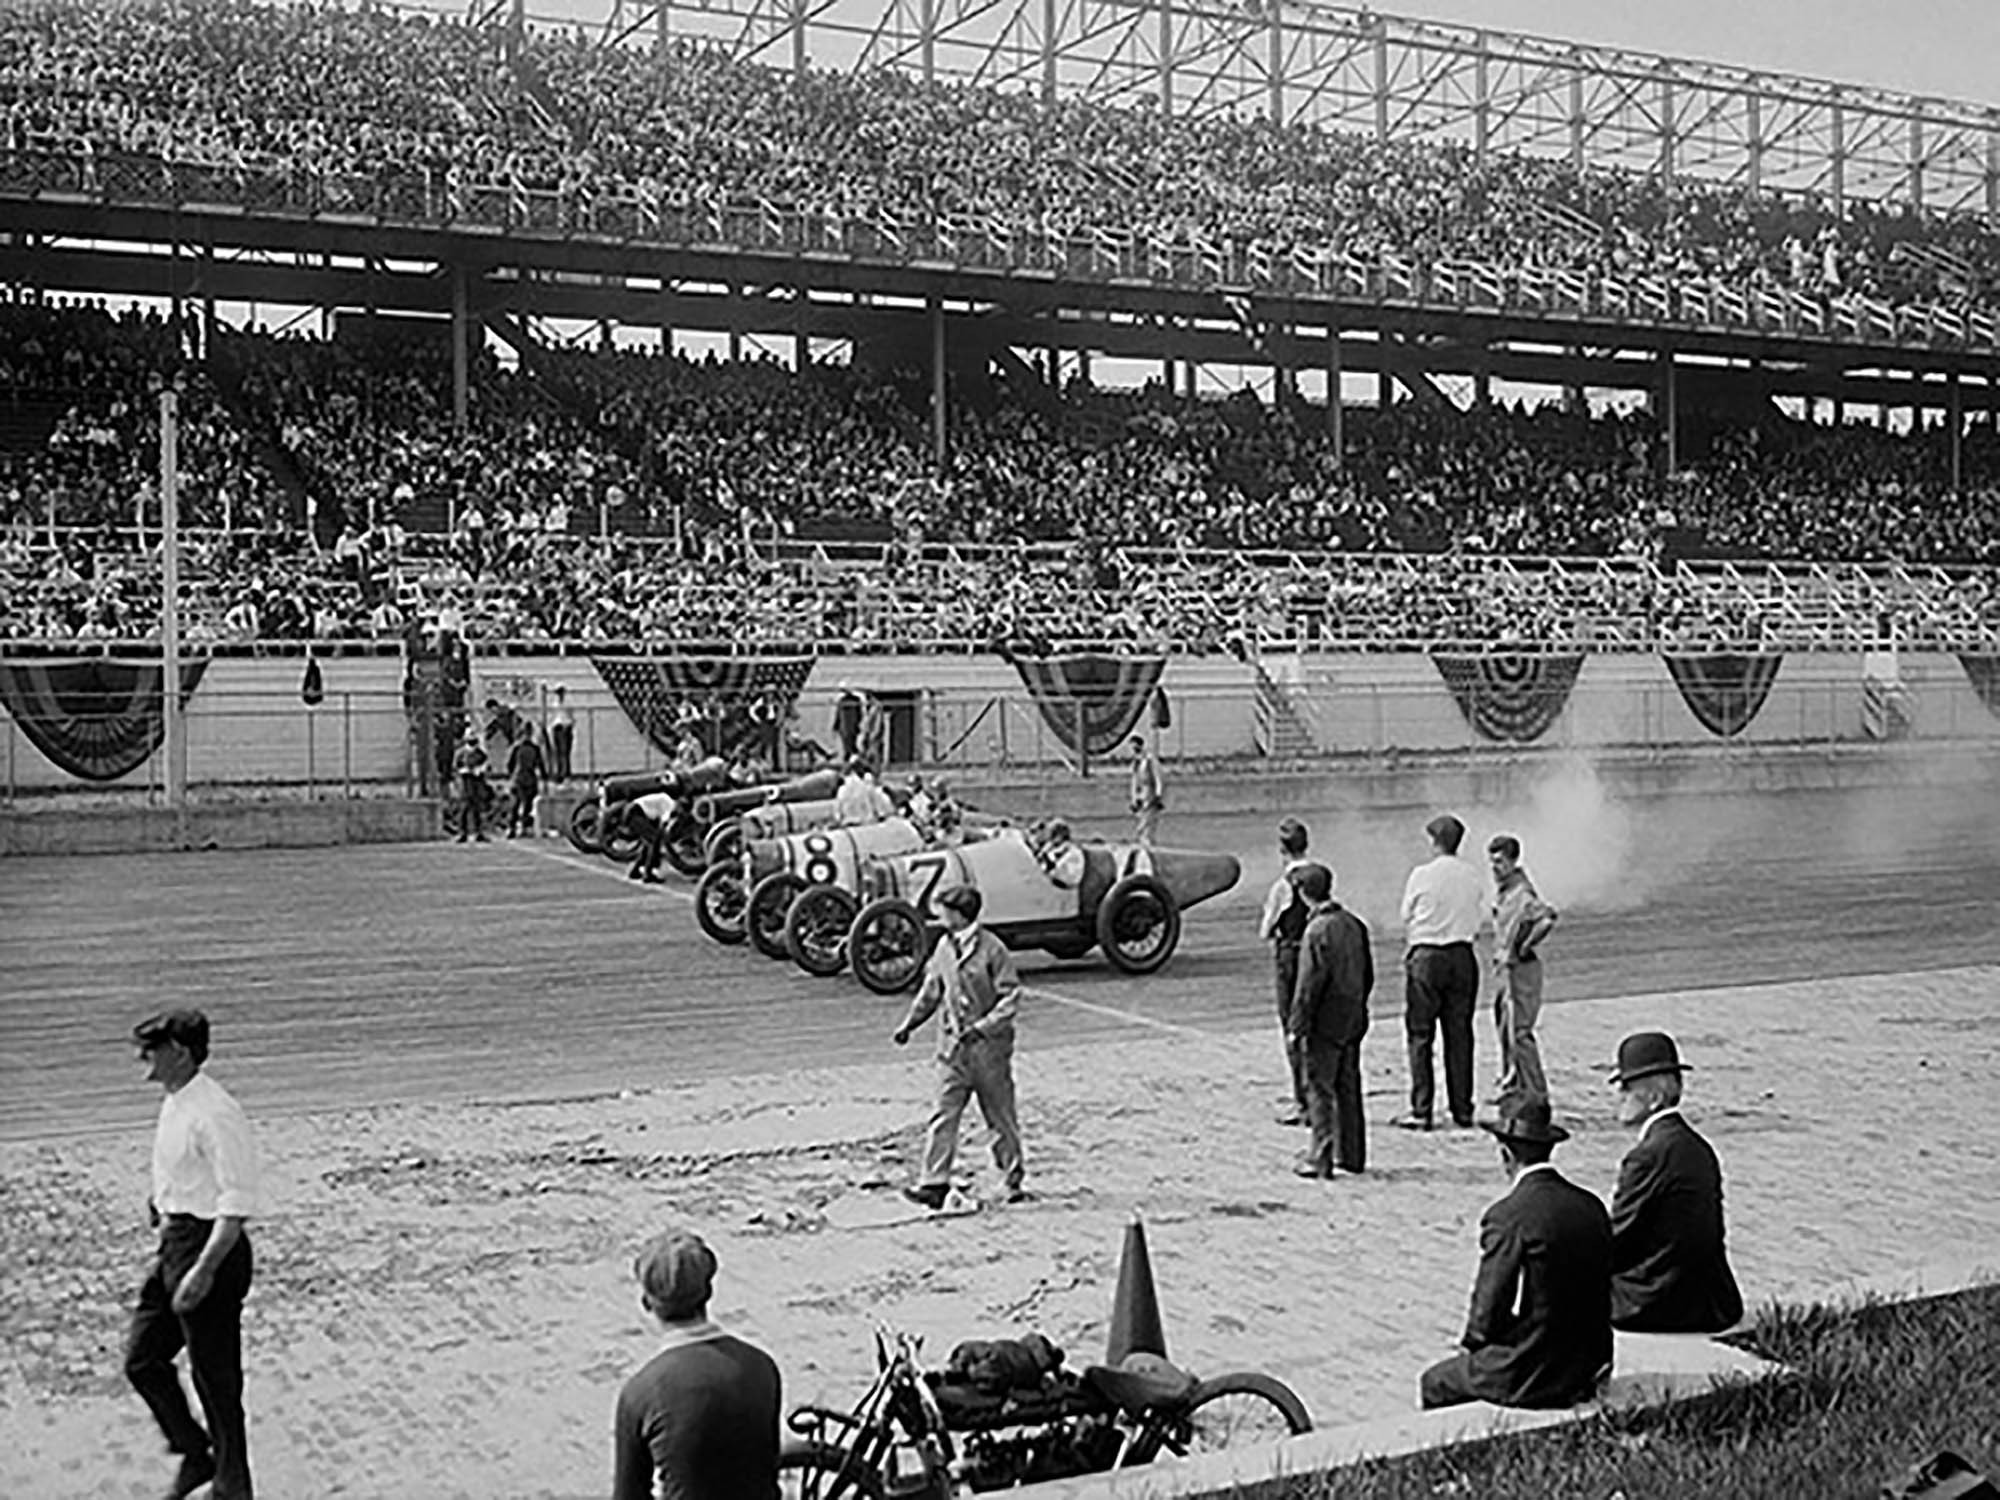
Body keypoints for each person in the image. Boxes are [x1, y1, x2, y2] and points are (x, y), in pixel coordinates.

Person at [125, 1009, 262, 1500]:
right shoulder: (177, 1100)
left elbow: (235, 1202)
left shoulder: (216, 1112)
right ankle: (194, 1452)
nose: (144, 1058)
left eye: (152, 1048)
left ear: (179, 1052)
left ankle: (232, 1487)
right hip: (176, 1242)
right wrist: (160, 1204)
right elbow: (184, 1169)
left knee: (217, 1381)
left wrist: (204, 1270)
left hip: (211, 1252)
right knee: (142, 1360)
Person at [1418, 1099, 1612, 1411]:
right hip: (1589, 1362)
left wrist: (1475, 1347)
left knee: (1435, 1382)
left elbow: (1488, 1309)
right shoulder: (1591, 1206)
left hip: (1536, 1372)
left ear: (1505, 1155)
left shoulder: (1508, 1216)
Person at [611, 1229, 781, 1500]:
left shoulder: (641, 1393)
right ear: (709, 1291)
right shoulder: (762, 1367)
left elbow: (628, 1495)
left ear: (647, 1303)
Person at [892, 885, 1026, 1207]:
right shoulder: (943, 947)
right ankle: (934, 1182)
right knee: (943, 1114)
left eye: (944, 910)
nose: (939, 915)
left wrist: (983, 1028)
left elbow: (1011, 998)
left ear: (959, 914)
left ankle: (1011, 1179)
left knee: (1000, 1117)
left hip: (989, 1053)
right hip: (953, 1050)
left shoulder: (993, 950)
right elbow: (931, 991)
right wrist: (909, 1024)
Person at [1607, 1032, 1745, 1334]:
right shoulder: (1698, 1146)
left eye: (1627, 1088)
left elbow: (1617, 1240)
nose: (1619, 1096)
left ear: (1654, 1098)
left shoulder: (1646, 1156)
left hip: (1656, 1304)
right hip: (1713, 1302)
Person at [1396, 814, 1485, 1130]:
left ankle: (1422, 1109)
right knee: (1459, 1034)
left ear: (1434, 842)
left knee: (1420, 1035)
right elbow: (1479, 911)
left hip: (1427, 955)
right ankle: (1462, 1108)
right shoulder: (1472, 875)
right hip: (1462, 955)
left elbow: (1406, 914)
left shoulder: (1421, 875)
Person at [1288, 862, 1373, 1179]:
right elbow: (1368, 974)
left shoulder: (1316, 932)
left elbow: (1308, 985)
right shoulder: (1354, 924)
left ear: (1303, 893)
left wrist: (1298, 1026)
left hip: (1326, 1019)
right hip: (1353, 1014)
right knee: (1348, 1085)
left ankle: (1321, 1156)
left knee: (1320, 1087)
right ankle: (1351, 1155)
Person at [1487, 834, 1560, 1113]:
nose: (1495, 868)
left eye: (1500, 862)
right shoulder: (1506, 889)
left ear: (1512, 861)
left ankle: (1536, 1091)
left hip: (1520, 969)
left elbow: (1547, 918)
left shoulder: (1522, 892)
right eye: (1492, 862)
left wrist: (1525, 946)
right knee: (1506, 1030)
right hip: (1504, 969)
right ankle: (1512, 1085)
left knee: (1520, 1033)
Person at [1257, 818, 1317, 1126]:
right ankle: (1318, 1095)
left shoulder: (1282, 887)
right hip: (1317, 953)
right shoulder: (1319, 877)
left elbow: (1265, 931)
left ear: (1282, 850)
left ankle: (1302, 1100)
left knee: (1293, 1029)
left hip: (1290, 956)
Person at [504, 718, 545, 838]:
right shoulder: (531, 748)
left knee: (520, 803)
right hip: (527, 777)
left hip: (522, 777)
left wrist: (511, 775)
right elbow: (540, 765)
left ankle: (516, 827)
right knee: (523, 803)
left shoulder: (520, 748)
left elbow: (510, 765)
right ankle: (519, 827)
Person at [452, 727, 489, 843]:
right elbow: (455, 769)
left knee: (477, 810)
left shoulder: (481, 753)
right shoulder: (460, 753)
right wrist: (465, 771)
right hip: (465, 784)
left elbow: (486, 765)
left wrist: (480, 770)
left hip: (477, 784)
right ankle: (462, 833)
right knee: (464, 809)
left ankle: (479, 832)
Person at [1127, 734, 1164, 847]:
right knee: (1140, 830)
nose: (1133, 751)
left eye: (1135, 748)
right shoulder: (1135, 764)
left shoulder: (1150, 760)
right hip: (1140, 799)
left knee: (1147, 828)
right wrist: (1134, 800)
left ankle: (1149, 854)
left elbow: (1158, 779)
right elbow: (1134, 783)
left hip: (1150, 797)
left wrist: (1158, 796)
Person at [835, 756, 893, 826]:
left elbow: (838, 812)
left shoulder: (843, 788)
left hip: (850, 823)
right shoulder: (867, 786)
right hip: (864, 823)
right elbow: (879, 804)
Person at [1033, 818, 1085, 889]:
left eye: (1052, 835)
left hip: (1065, 885)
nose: (1050, 839)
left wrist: (1044, 858)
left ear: (1060, 835)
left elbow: (1054, 869)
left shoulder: (1071, 851)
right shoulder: (1057, 848)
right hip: (1058, 882)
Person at [548, 684, 574, 783]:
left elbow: (571, 716)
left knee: (565, 752)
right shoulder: (554, 703)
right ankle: (559, 773)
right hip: (557, 727)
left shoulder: (568, 703)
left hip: (565, 727)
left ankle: (566, 774)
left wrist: (569, 726)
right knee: (558, 752)